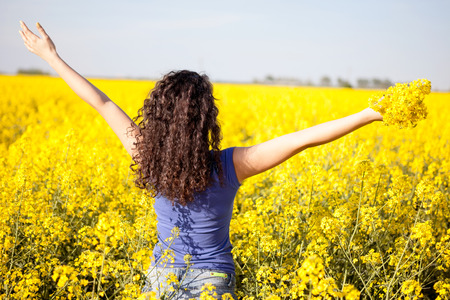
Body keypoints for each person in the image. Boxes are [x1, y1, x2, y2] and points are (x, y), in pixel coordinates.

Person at [19, 21, 383, 299]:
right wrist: (369, 113)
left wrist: (51, 57)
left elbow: (101, 103)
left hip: (162, 278)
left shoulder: (146, 154)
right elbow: (303, 139)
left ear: (158, 115)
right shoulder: (230, 165)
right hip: (214, 281)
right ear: (207, 118)